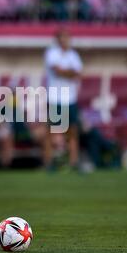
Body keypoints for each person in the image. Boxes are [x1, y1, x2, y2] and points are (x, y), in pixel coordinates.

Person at [44, 28, 83, 172]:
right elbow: (57, 71)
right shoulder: (52, 53)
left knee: (72, 131)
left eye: (67, 37)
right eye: (62, 37)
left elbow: (78, 73)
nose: (65, 40)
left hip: (70, 98)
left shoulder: (73, 55)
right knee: (52, 132)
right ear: (58, 39)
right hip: (55, 97)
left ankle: (73, 162)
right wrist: (70, 72)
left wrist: (67, 72)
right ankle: (49, 162)